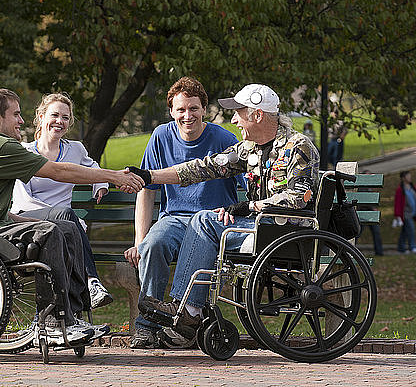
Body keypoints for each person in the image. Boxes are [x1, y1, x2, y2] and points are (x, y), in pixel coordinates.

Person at [0, 88, 144, 346]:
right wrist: (113, 176)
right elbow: (58, 171)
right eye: (15, 114)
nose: (21, 121)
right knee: (50, 232)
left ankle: (69, 317)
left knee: (65, 227)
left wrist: (26, 220)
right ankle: (51, 322)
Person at [130, 84, 320, 339]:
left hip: (284, 231)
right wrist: (149, 175)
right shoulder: (249, 149)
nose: (233, 120)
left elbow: (299, 197)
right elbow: (202, 168)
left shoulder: (298, 146)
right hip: (258, 228)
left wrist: (249, 206)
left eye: (238, 113)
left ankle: (189, 310)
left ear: (257, 115)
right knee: (203, 221)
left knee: (205, 220)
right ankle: (188, 311)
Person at [123, 76, 241, 349]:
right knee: (153, 245)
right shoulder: (161, 136)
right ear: (171, 111)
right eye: (181, 109)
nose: (188, 116)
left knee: (202, 238)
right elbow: (146, 188)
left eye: (194, 109)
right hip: (174, 218)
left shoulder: (225, 139)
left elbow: (249, 182)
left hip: (211, 222)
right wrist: (139, 239)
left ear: (204, 110)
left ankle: (183, 320)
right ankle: (147, 326)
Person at [10, 93, 113, 309]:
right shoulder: (24, 152)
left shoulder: (75, 150)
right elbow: (23, 200)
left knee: (66, 224)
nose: (60, 121)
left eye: (65, 118)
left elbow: (92, 167)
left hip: (65, 226)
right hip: (28, 219)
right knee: (65, 216)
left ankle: (69, 316)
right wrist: (60, 218)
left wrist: (100, 184)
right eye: (55, 115)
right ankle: (92, 282)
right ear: (41, 116)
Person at [394, 170, 416, 254]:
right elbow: (397, 203)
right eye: (407, 176)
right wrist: (397, 215)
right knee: (411, 229)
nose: (409, 178)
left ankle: (401, 248)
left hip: (412, 212)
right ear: (403, 178)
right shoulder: (400, 189)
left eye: (410, 176)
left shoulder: (412, 187)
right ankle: (412, 247)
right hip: (406, 214)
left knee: (405, 231)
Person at [358, 169, 383, 256]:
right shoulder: (362, 188)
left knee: (376, 232)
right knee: (358, 232)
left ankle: (379, 251)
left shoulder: (368, 188)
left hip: (369, 212)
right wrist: (372, 208)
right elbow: (363, 201)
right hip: (363, 213)